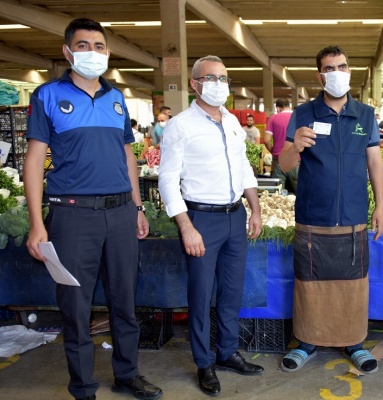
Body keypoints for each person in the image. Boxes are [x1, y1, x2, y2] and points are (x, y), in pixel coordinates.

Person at [23, 18, 161, 400]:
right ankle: (83, 386)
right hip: (72, 215)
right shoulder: (48, 95)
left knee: (125, 300)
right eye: (84, 45)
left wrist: (137, 206)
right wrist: (38, 224)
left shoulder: (117, 98)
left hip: (120, 213)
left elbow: (127, 157)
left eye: (100, 46)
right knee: (75, 305)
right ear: (68, 52)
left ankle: (127, 375)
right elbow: (34, 161)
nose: (93, 52)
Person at [157, 55, 264, 397]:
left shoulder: (232, 120)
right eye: (211, 78)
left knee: (231, 291)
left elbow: (244, 167)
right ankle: (204, 363)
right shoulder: (181, 126)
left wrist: (255, 208)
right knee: (201, 295)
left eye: (223, 78)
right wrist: (186, 226)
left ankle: (228, 352)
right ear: (194, 84)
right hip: (201, 219)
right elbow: (167, 181)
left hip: (235, 217)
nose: (219, 84)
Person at [277, 45, 383, 373]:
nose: (336, 73)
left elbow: (375, 163)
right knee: (310, 281)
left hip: (353, 217)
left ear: (349, 71)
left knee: (353, 281)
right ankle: (307, 341)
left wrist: (380, 205)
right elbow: (282, 164)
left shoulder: (365, 115)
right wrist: (295, 145)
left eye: (341, 66)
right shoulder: (303, 114)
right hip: (313, 216)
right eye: (329, 68)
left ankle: (354, 341)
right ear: (319, 75)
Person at [264, 98, 293, 173]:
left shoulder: (273, 118)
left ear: (277, 108)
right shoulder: (298, 117)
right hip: (296, 159)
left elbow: (266, 140)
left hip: (278, 159)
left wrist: (273, 151)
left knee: (278, 184)